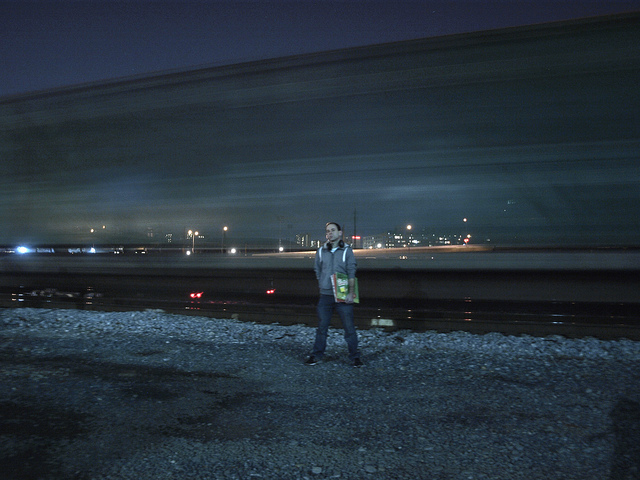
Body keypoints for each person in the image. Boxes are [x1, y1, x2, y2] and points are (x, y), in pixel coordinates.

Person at [305, 222, 363, 367]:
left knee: (349, 328)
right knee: (322, 327)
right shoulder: (321, 251)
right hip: (325, 296)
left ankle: (355, 357)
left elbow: (351, 271)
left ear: (340, 233)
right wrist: (322, 283)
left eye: (332, 230)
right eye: (327, 231)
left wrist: (351, 293)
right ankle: (316, 355)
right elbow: (317, 269)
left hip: (343, 295)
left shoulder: (347, 251)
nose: (329, 233)